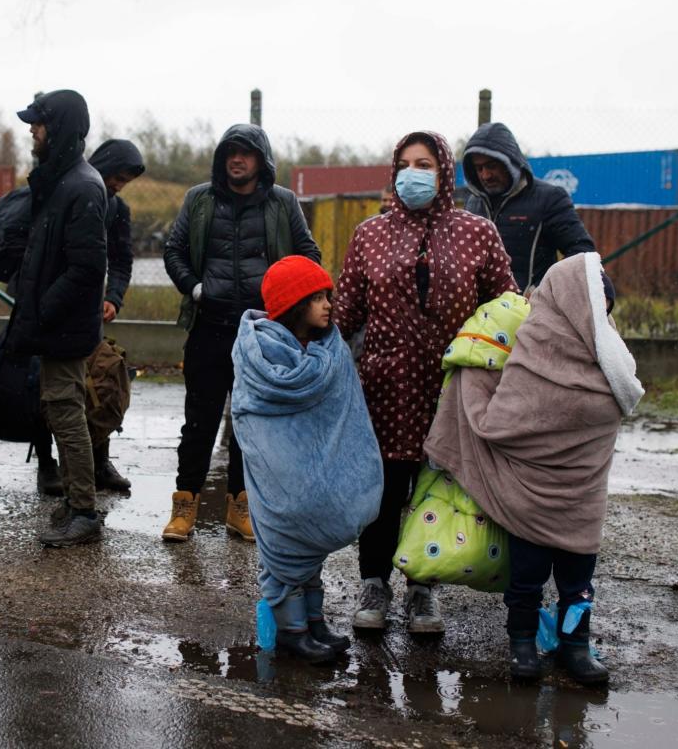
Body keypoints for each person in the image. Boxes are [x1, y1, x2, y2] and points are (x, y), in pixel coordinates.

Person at [425, 252, 641, 685]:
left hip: (582, 494)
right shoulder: (533, 346)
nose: (599, 319)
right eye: (598, 309)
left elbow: (618, 399)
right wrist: (473, 377)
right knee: (527, 579)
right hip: (531, 494)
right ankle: (522, 645)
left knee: (578, 581)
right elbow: (505, 421)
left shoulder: (608, 350)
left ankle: (575, 647)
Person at [333, 130, 517, 634]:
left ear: (444, 173)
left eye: (425, 164)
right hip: (385, 386)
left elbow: (506, 305)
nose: (413, 173)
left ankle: (422, 590)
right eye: (405, 164)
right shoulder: (369, 234)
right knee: (384, 491)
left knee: (436, 489)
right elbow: (345, 308)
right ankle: (374, 583)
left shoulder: (478, 233)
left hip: (450, 388)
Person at [161, 123, 321, 543]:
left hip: (262, 335)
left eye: (246, 152)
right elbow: (174, 250)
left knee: (251, 425)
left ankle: (240, 506)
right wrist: (195, 288)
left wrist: (285, 304)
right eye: (231, 151)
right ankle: (185, 504)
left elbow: (309, 255)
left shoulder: (282, 203)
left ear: (260, 159)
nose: (237, 159)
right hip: (208, 328)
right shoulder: (200, 199)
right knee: (199, 421)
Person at [231, 256, 383, 663]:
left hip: (314, 477)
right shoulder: (260, 352)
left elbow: (342, 412)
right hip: (280, 473)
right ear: (293, 303)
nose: (328, 305)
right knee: (285, 542)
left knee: (308, 549)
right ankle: (290, 632)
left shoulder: (329, 349)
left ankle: (313, 623)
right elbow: (252, 415)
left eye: (327, 295)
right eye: (316, 298)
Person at [3, 89, 108, 548]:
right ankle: (74, 498)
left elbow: (87, 267)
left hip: (64, 325)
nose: (32, 130)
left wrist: (42, 310)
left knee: (66, 414)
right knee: (60, 409)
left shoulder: (81, 186)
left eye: (39, 123)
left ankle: (84, 509)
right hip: (56, 323)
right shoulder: (62, 180)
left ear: (59, 128)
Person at [33, 138, 144, 495]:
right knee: (47, 386)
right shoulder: (69, 192)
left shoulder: (116, 209)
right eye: (117, 176)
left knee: (96, 385)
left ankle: (98, 461)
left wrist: (113, 297)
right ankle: (47, 463)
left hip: (89, 314)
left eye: (125, 181)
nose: (118, 185)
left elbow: (121, 259)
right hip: (54, 306)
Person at [462, 122, 596, 291]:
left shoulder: (549, 198)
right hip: (481, 312)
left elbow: (582, 252)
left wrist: (545, 291)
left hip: (530, 312)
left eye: (491, 166)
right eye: (478, 168)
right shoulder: (473, 202)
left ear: (510, 162)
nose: (485, 175)